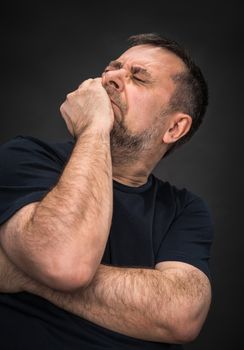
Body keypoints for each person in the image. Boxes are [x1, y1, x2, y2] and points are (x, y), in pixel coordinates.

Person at [0, 33, 213, 349]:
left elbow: (182, 315)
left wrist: (28, 277)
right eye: (112, 68)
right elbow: (64, 263)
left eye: (137, 77)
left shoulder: (184, 210)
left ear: (174, 128)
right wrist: (95, 128)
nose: (110, 78)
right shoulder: (27, 156)